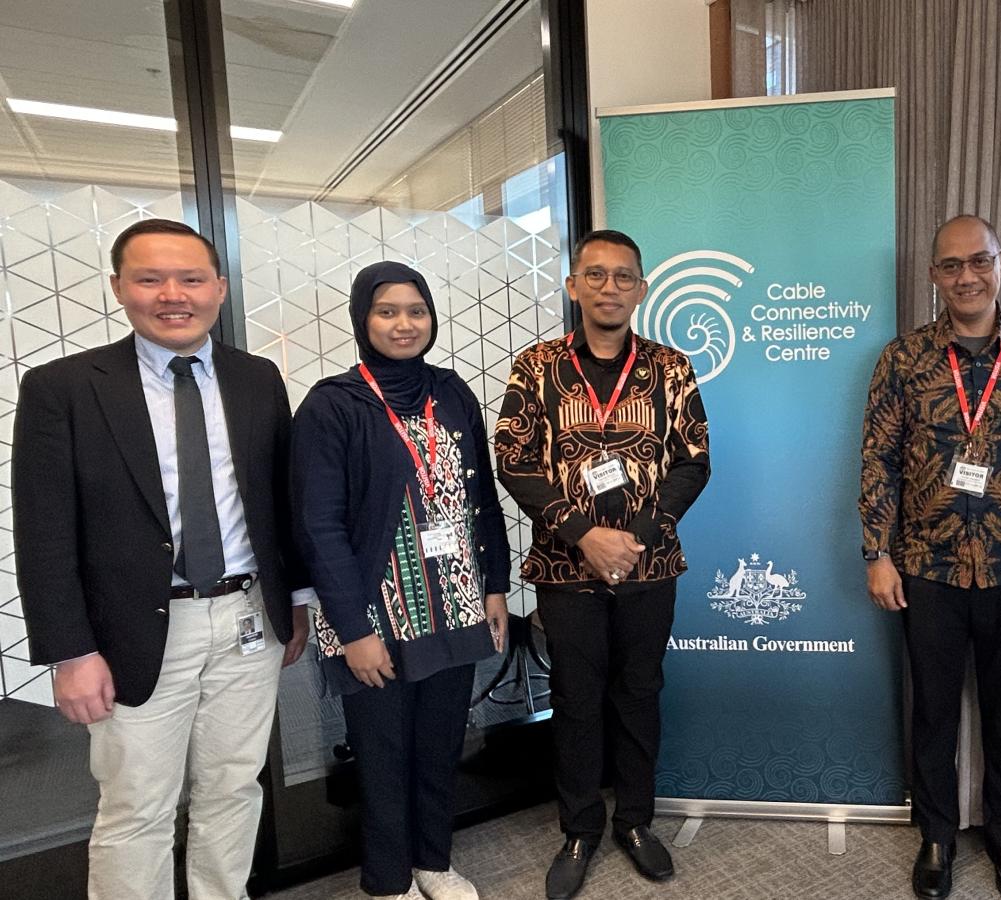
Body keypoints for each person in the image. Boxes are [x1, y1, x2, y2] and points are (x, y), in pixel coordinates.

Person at [12, 218, 313, 899]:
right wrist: (70, 651)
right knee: (137, 806)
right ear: (119, 287)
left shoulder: (257, 377)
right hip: (134, 634)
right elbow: (45, 533)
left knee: (234, 786)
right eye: (150, 278)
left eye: (191, 278)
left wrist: (293, 602)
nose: (172, 294)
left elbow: (277, 502)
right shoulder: (64, 388)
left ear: (220, 287)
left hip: (247, 619)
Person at [495, 229, 710, 900]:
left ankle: (637, 821)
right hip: (566, 570)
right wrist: (585, 535)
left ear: (641, 289)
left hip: (651, 568)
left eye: (623, 277)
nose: (609, 287)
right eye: (596, 275)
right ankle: (581, 828)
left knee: (639, 693)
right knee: (576, 700)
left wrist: (635, 536)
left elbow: (694, 461)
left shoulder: (672, 367)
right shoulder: (536, 367)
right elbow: (515, 461)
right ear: (573, 286)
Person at [291, 261, 510, 900]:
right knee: (383, 754)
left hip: (456, 600)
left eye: (416, 311)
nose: (404, 324)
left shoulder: (453, 393)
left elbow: (483, 501)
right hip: (372, 612)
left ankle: (433, 862)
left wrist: (494, 586)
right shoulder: (333, 405)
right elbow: (318, 526)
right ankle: (387, 881)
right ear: (363, 319)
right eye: (387, 311)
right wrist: (354, 629)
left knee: (441, 744)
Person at [860, 214, 1001, 900]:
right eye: (951, 265)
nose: (966, 277)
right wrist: (876, 553)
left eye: (979, 262)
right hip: (927, 568)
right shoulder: (904, 358)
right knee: (934, 713)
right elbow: (878, 460)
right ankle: (937, 839)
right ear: (933, 275)